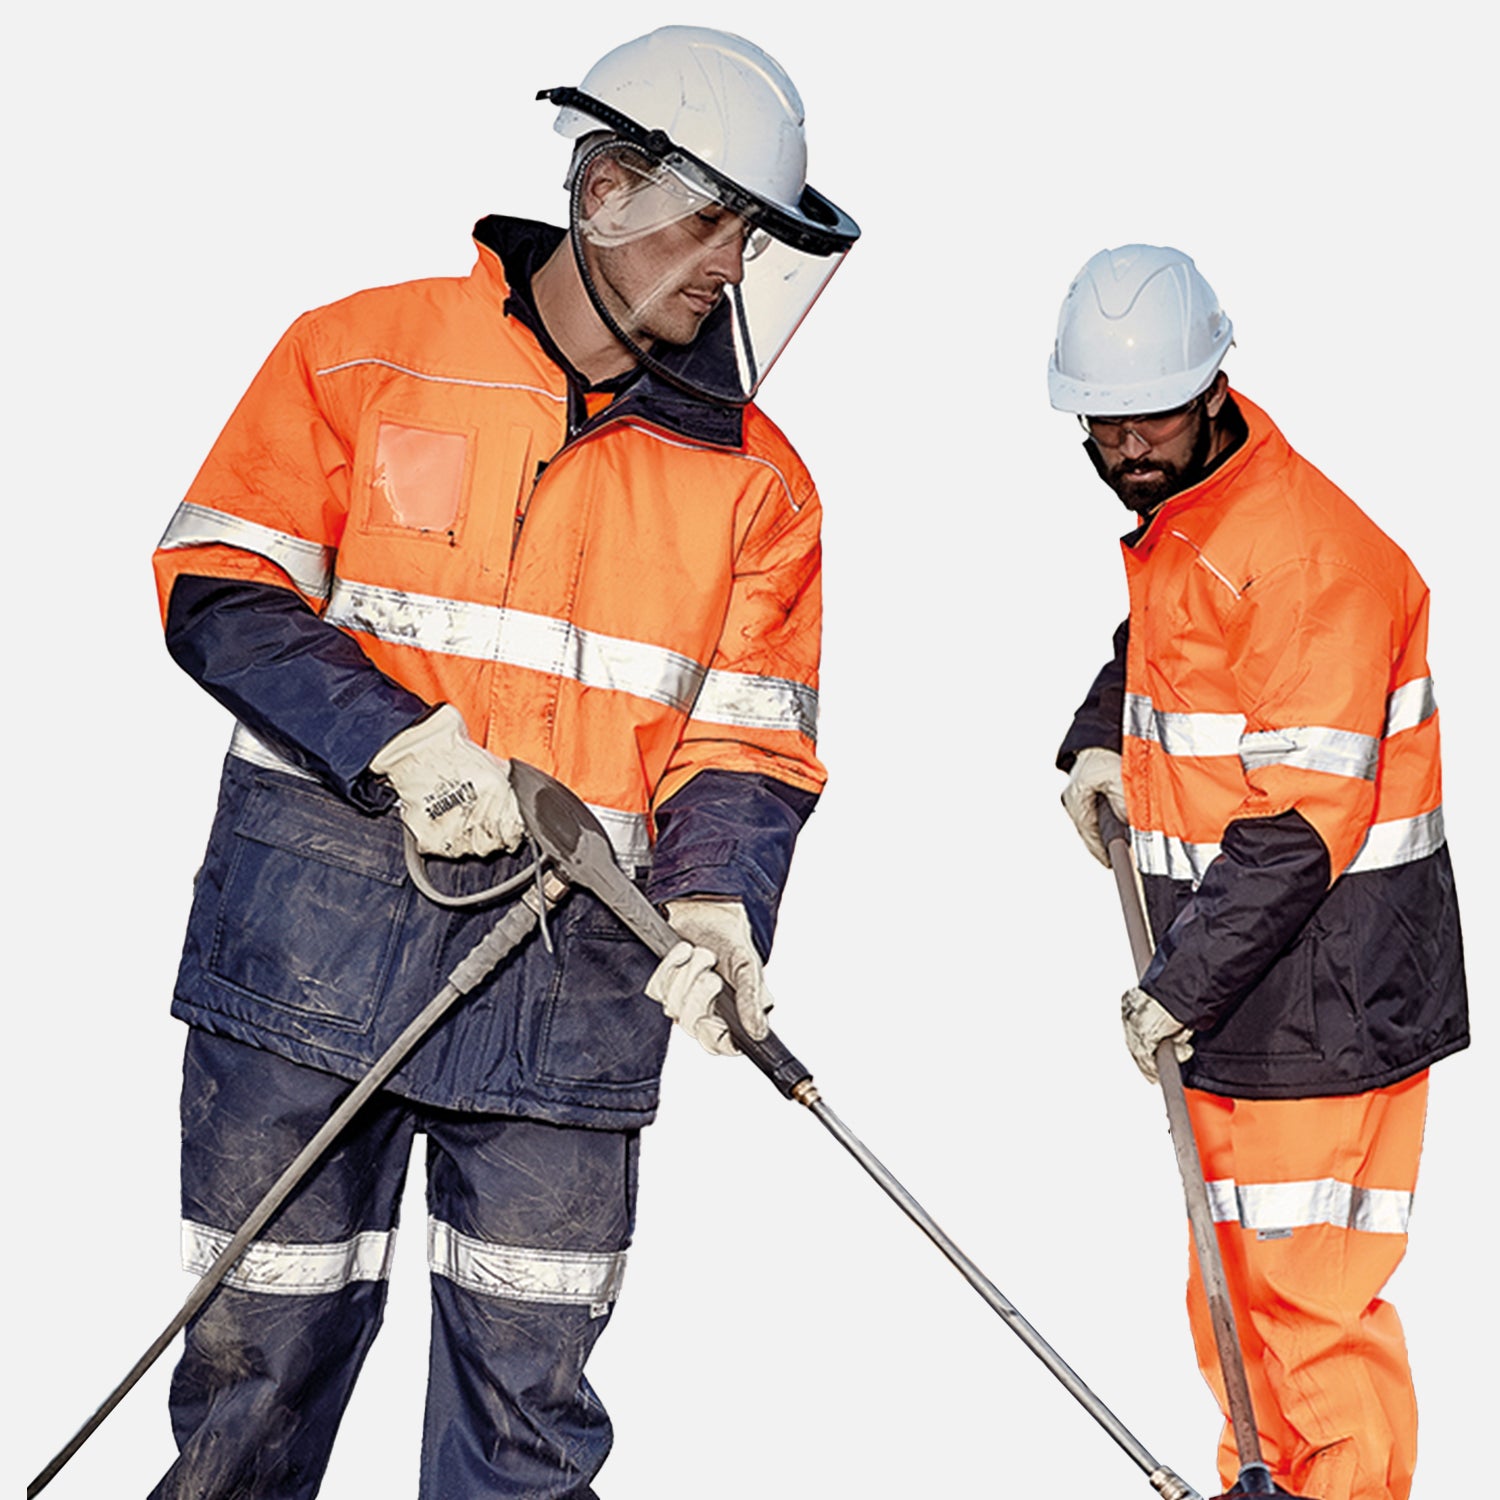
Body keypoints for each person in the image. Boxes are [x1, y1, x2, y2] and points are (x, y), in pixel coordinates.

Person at [147, 26, 858, 1498]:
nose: (733, 265)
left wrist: (721, 909)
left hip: (572, 986)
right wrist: (394, 744)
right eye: (711, 220)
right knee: (249, 1396)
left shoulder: (761, 486)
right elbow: (220, 585)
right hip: (312, 958)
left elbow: (749, 739)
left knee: (527, 1432)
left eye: (754, 236)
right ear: (604, 186)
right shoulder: (363, 350)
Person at [1050, 245, 1468, 1500]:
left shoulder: (1300, 555)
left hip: (1322, 1003)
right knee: (1235, 1300)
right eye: (1104, 420)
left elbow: (1302, 822)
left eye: (1153, 413)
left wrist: (1181, 984)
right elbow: (1160, 648)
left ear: (1217, 385)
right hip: (1241, 990)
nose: (1128, 444)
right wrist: (1092, 745)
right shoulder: (1198, 522)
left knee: (1309, 1314)